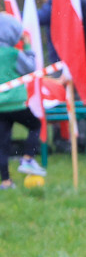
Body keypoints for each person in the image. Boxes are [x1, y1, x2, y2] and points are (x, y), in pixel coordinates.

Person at [0, 12, 47, 188]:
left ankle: (5, 181)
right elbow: (29, 68)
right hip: (15, 104)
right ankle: (27, 158)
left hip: (0, 107)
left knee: (2, 144)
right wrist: (27, 47)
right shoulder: (13, 53)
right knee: (35, 125)